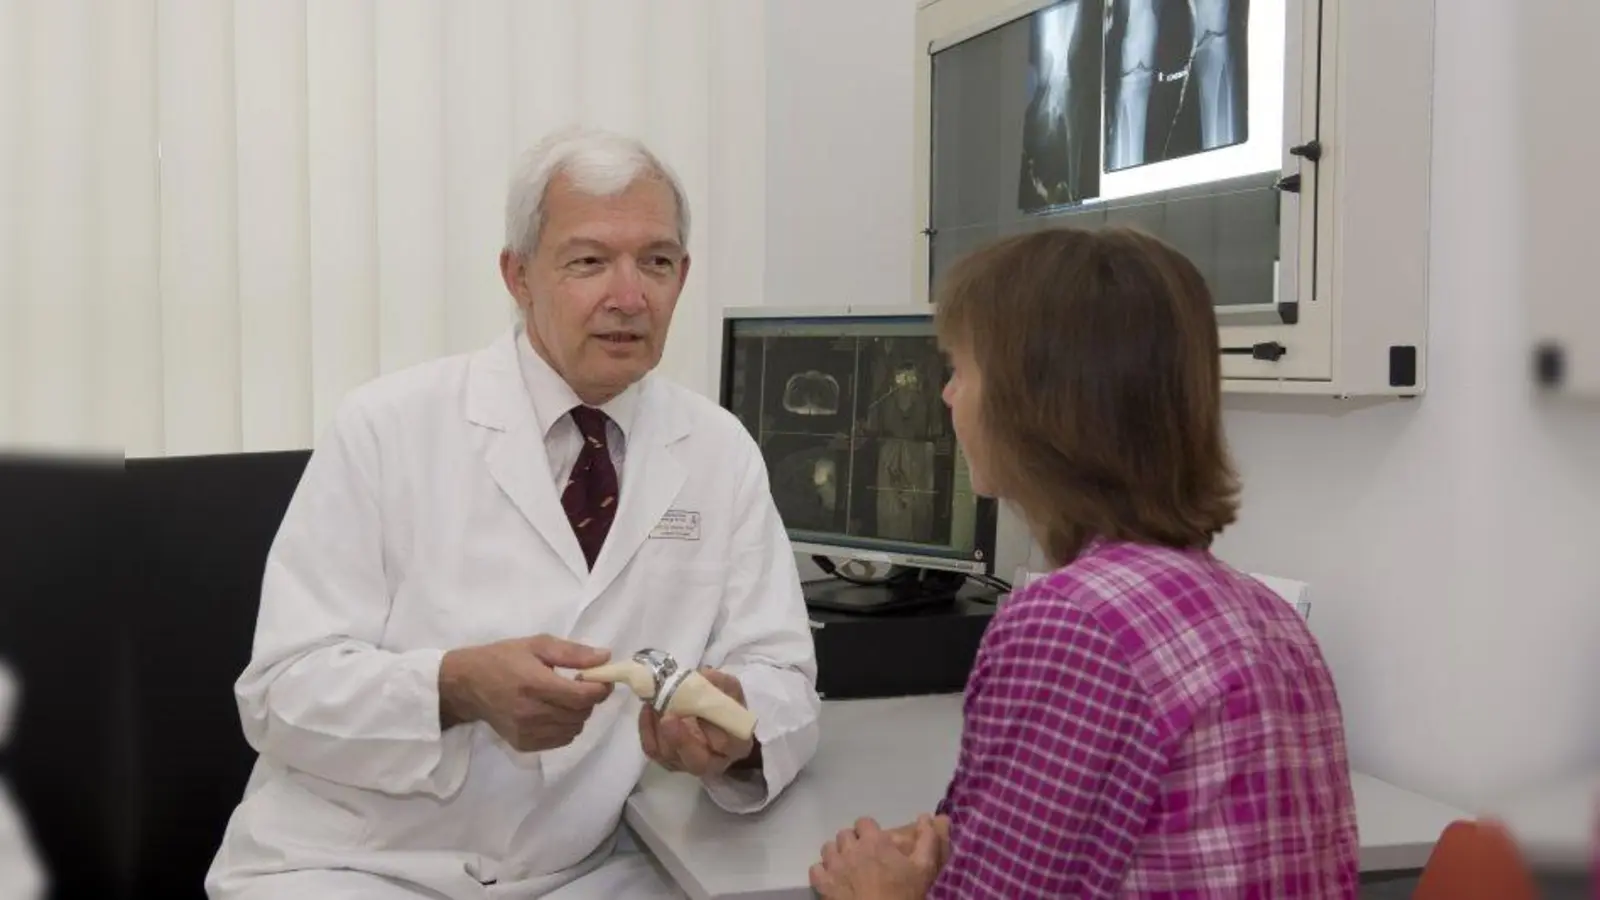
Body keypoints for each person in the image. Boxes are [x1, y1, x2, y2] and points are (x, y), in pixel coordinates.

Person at [205, 128, 821, 900]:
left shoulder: (718, 451)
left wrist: (736, 725)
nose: (629, 297)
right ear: (518, 274)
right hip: (351, 865)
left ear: (683, 276)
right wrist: (454, 688)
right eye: (589, 261)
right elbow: (280, 693)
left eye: (656, 262)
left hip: (581, 871)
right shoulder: (387, 426)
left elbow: (785, 677)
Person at [810, 227, 1359, 898]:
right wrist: (976, 836)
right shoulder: (1270, 618)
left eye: (961, 370)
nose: (948, 397)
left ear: (1033, 400)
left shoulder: (1069, 626)